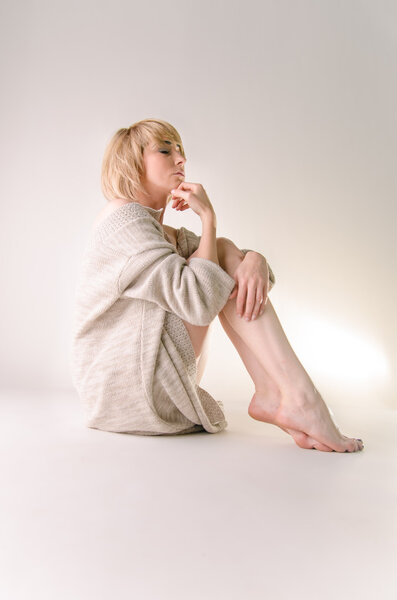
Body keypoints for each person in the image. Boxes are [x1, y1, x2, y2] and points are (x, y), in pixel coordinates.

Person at [70, 118, 364, 453]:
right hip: (125, 390)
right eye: (165, 150)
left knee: (221, 250)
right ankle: (299, 399)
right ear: (132, 162)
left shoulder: (163, 236)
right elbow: (199, 301)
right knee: (218, 252)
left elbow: (242, 276)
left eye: (181, 151)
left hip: (149, 382)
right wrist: (208, 219)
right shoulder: (123, 219)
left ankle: (276, 393)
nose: (180, 159)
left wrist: (256, 259)